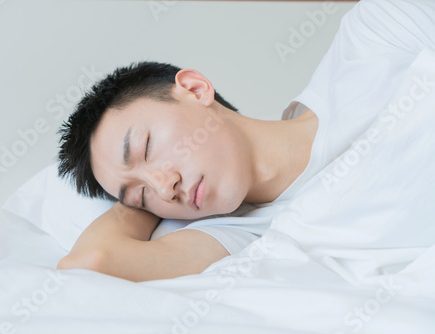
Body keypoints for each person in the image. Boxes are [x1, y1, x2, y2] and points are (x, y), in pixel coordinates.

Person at [56, 0, 435, 282]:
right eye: (142, 197)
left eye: (146, 147)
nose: (164, 187)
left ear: (194, 88)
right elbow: (91, 262)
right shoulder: (244, 235)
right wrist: (135, 200)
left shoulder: (375, 38)